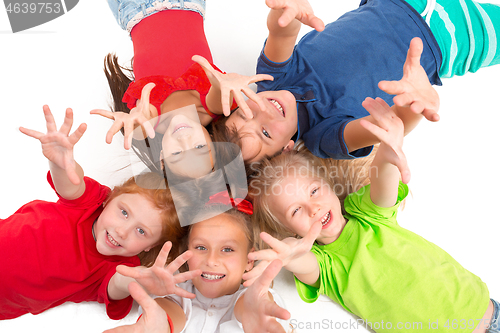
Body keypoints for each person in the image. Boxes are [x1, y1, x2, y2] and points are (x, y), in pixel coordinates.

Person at [244, 97, 499, 332]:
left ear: (330, 187)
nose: (314, 208)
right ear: (291, 230)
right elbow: (301, 260)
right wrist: (288, 254)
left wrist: (389, 148)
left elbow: (382, 180)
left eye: (314, 191)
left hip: (484, 312)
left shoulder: (366, 214)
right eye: (296, 210)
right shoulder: (327, 266)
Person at [223, 0, 500, 164]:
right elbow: (388, 126)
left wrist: (288, 11)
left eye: (246, 112)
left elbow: (282, 31)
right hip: (450, 40)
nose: (265, 112)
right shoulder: (324, 138)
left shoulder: (272, 79)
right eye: (266, 133)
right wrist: (414, 105)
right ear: (286, 149)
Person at [0, 105, 197, 320]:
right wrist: (61, 162)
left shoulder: (123, 267)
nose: (122, 231)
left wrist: (142, 280)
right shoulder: (93, 201)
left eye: (141, 231)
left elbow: (119, 283)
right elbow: (71, 184)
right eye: (124, 213)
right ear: (110, 199)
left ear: (151, 246)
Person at [92, 0, 274, 178]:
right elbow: (220, 87)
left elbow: (141, 117)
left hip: (134, 8)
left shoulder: (152, 120)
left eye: (177, 154)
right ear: (212, 143)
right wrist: (228, 81)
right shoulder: (211, 109)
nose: (185, 139)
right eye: (199, 148)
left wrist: (133, 119)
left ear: (163, 158)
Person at [106, 206, 292, 333]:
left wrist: (254, 309)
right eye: (201, 248)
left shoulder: (256, 298)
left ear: (249, 260)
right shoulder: (177, 293)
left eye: (227, 249)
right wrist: (159, 325)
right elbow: (168, 312)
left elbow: (251, 304)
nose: (211, 261)